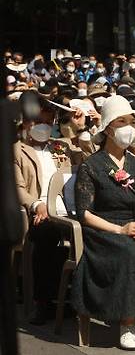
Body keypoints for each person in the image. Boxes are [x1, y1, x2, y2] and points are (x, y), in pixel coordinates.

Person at [71, 95, 135, 351]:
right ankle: (127, 323)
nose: (127, 127)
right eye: (120, 121)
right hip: (105, 229)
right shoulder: (91, 166)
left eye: (130, 121)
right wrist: (120, 229)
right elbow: (85, 213)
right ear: (107, 128)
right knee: (129, 253)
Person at [14, 108, 70, 325]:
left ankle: (74, 298)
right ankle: (42, 302)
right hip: (39, 211)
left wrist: (80, 126)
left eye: (48, 121)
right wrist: (37, 205)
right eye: (39, 121)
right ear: (27, 122)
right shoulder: (17, 150)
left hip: (67, 208)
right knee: (46, 234)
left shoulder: (61, 146)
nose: (43, 126)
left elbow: (87, 153)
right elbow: (17, 187)